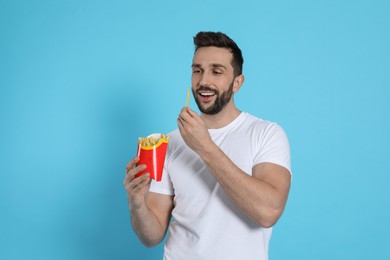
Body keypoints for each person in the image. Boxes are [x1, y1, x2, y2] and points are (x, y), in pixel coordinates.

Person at [124, 31, 291, 260]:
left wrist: (204, 147)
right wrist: (137, 206)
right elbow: (151, 237)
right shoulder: (170, 142)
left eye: (217, 71)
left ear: (237, 83)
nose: (203, 81)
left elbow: (268, 212)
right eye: (197, 70)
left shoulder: (266, 134)